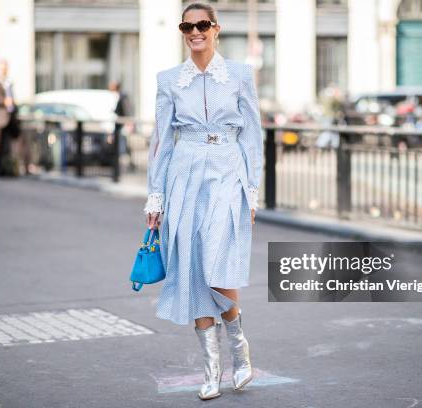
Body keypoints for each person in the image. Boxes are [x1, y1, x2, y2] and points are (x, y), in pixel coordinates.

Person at [142, 2, 262, 401]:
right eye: (187, 26)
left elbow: (252, 138)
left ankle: (240, 350)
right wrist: (155, 196)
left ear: (216, 28)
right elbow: (160, 141)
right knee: (192, 269)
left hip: (228, 174)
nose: (195, 32)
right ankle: (212, 368)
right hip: (183, 175)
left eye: (202, 25)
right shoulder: (169, 79)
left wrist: (252, 191)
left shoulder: (241, 75)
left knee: (217, 266)